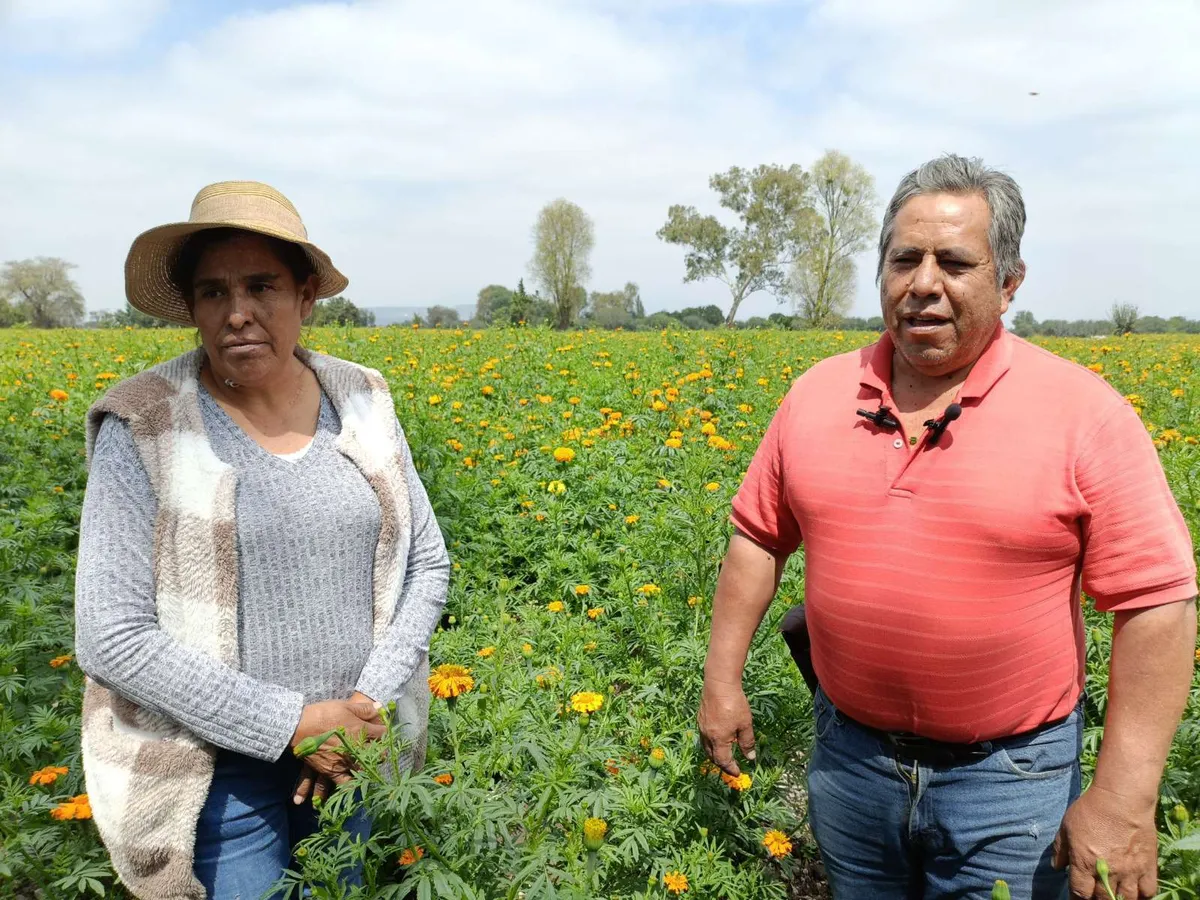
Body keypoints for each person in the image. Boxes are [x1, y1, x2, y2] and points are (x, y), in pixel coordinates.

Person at [698, 155, 1197, 900]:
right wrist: (721, 680)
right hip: (850, 761)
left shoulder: (1082, 413)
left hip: (1010, 783)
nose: (923, 282)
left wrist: (1125, 796)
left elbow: (1157, 604)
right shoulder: (816, 396)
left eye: (955, 261)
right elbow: (758, 537)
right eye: (905, 259)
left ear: (1010, 282)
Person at [74, 181, 450, 900]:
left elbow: (426, 562)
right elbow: (109, 633)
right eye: (213, 293)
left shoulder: (363, 400)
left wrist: (355, 714)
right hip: (213, 766)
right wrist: (291, 724)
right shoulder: (144, 424)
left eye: (261, 286)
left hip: (353, 751)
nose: (238, 313)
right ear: (190, 307)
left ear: (306, 295)